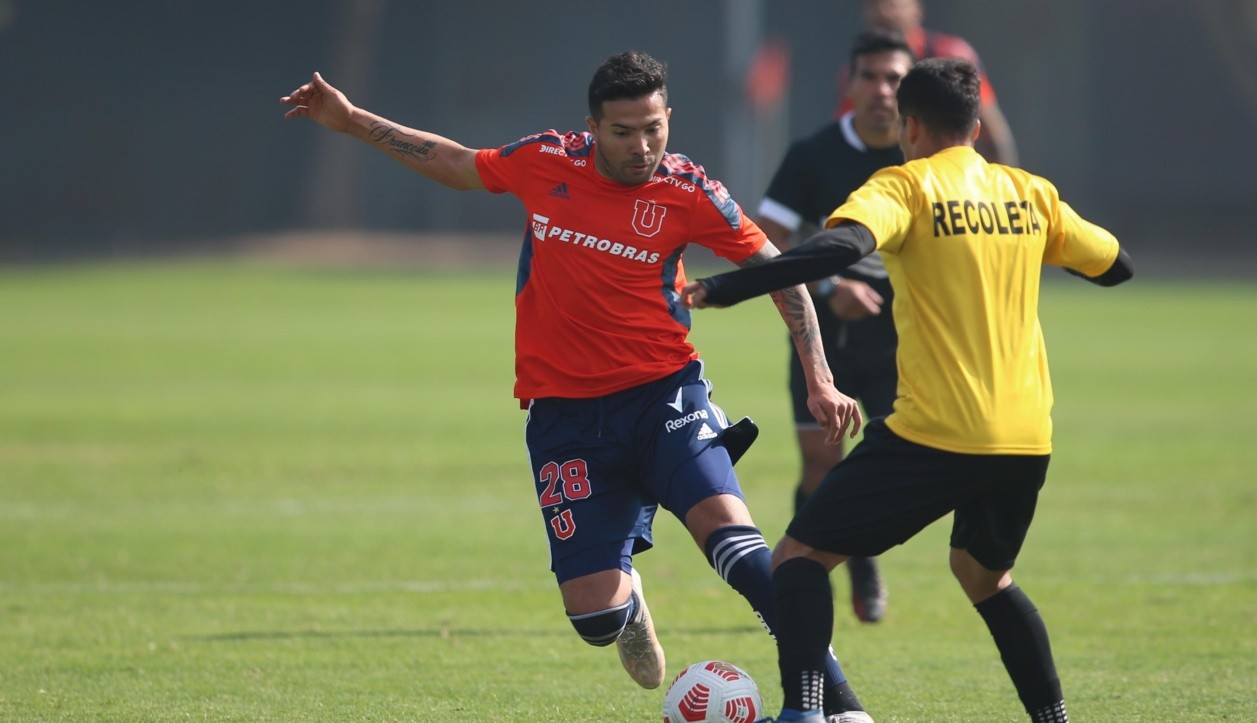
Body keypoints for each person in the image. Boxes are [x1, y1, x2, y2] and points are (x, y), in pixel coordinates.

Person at [279, 51, 876, 722]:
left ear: (668, 118)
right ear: (592, 126)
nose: (643, 145)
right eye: (623, 131)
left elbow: (784, 274)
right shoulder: (546, 162)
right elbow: (457, 164)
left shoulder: (689, 191)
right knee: (595, 616)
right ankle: (628, 605)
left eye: (654, 127)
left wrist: (820, 379)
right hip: (565, 416)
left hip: (665, 397)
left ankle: (839, 706)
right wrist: (353, 120)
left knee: (738, 544)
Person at [685, 58, 1134, 722]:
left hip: (936, 433)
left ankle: (806, 711)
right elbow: (1115, 265)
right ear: (977, 126)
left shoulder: (906, 186)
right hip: (1025, 436)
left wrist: (722, 288)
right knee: (983, 576)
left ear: (910, 125)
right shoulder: (1030, 194)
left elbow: (837, 248)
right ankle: (1054, 719)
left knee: (798, 557)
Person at [755, 28, 913, 624]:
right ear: (849, 85)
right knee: (822, 466)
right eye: (870, 77)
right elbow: (767, 240)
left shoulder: (921, 156)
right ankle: (834, 571)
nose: (881, 90)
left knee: (892, 467)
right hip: (821, 342)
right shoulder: (814, 153)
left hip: (905, 345)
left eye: (894, 78)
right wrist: (826, 286)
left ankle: (857, 554)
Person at [838, 0, 1019, 166]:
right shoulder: (859, 70)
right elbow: (846, 135)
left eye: (893, 3)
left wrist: (1002, 192)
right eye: (874, 3)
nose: (883, 11)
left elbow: (991, 131)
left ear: (917, 8)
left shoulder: (951, 54)